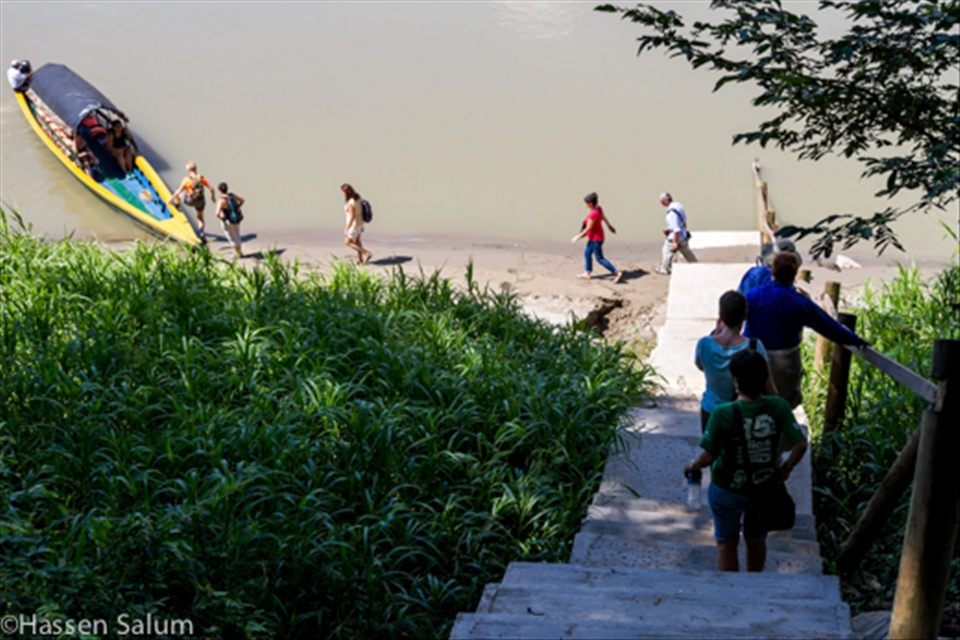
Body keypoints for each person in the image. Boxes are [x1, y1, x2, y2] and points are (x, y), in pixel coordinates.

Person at [684, 348, 809, 572]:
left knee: (725, 541)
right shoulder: (778, 407)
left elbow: (709, 455)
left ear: (736, 380)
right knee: (757, 539)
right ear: (764, 379)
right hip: (763, 488)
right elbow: (801, 444)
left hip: (726, 488)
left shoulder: (722, 413)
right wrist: (786, 469)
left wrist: (693, 465)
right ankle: (754, 583)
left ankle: (731, 590)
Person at [745, 252, 867, 408]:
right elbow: (829, 327)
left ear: (772, 271)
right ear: (795, 274)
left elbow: (734, 318)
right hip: (785, 360)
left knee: (752, 399)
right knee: (784, 403)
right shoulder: (801, 303)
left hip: (753, 356)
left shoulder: (754, 296)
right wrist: (855, 340)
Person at [695, 290, 775, 433]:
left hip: (711, 411)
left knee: (711, 453)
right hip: (743, 413)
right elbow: (768, 388)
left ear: (720, 316)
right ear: (745, 317)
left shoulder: (704, 344)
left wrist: (717, 332)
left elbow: (701, 365)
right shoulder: (755, 346)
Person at [571, 192, 623, 283]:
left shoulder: (593, 215)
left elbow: (588, 228)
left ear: (590, 204)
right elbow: (603, 217)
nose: (585, 205)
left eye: (586, 203)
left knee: (600, 258)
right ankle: (587, 273)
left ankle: (616, 272)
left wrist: (577, 237)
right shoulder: (598, 207)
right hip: (594, 237)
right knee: (587, 254)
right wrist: (609, 226)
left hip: (596, 239)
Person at [168, 162, 216, 243]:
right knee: (200, 217)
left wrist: (169, 200)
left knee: (178, 192)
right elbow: (211, 188)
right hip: (200, 200)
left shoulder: (187, 180)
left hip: (189, 201)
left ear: (189, 170)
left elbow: (178, 192)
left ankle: (177, 204)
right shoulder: (202, 178)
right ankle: (202, 233)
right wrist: (213, 197)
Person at [656, 192, 697, 275]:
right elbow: (683, 221)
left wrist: (674, 241)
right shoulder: (678, 205)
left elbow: (676, 229)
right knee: (686, 252)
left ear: (666, 201)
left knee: (666, 250)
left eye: (662, 202)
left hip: (676, 237)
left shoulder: (671, 214)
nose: (661, 204)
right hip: (682, 236)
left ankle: (665, 268)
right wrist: (684, 231)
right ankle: (695, 265)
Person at [342, 183, 372, 265]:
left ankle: (366, 253)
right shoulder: (357, 197)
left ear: (345, 193)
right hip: (361, 222)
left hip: (354, 225)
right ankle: (360, 260)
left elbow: (352, 216)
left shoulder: (350, 203)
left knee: (348, 242)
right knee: (357, 241)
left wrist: (346, 229)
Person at [215, 182, 244, 259]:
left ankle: (237, 254)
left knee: (231, 237)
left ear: (220, 191)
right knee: (237, 235)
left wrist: (223, 218)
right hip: (236, 219)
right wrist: (236, 209)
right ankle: (239, 252)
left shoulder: (221, 201)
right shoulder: (232, 195)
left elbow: (217, 213)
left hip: (228, 221)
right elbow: (242, 200)